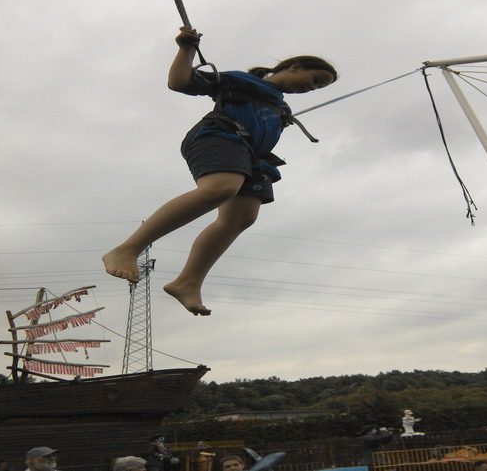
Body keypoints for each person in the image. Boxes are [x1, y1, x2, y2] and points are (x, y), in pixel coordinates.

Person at [103, 26, 337, 316]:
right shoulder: (241, 80)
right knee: (221, 187)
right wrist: (186, 49)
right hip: (220, 137)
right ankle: (128, 249)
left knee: (241, 217)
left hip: (253, 157)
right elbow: (180, 82)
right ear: (295, 66)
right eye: (315, 80)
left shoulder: (280, 106)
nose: (312, 88)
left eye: (318, 88)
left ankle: (187, 282)